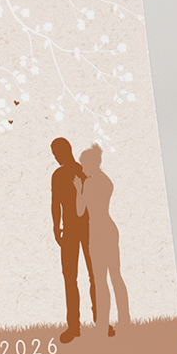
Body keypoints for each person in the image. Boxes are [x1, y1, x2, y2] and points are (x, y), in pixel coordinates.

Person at [75, 143, 130, 336]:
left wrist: (78, 189)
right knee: (115, 276)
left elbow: (80, 210)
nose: (82, 168)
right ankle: (124, 320)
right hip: (108, 229)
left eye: (83, 164)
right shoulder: (106, 181)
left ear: (91, 164)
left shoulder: (89, 183)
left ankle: (102, 325)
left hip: (97, 232)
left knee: (100, 280)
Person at [50, 138, 94, 343]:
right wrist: (56, 227)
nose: (56, 158)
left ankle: (99, 321)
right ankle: (74, 326)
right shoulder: (58, 174)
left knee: (93, 276)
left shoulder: (83, 170)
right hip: (70, 230)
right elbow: (55, 203)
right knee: (71, 278)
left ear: (66, 151)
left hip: (87, 228)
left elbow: (93, 199)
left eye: (57, 153)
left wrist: (56, 227)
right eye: (54, 154)